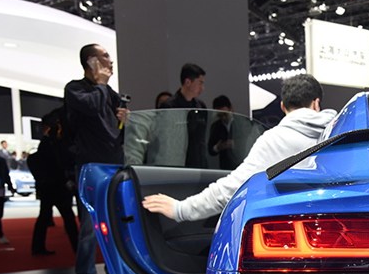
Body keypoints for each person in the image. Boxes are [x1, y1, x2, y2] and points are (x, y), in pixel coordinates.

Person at [142, 74, 336, 222]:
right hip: (342, 230)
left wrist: (181, 210)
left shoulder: (274, 140)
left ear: (283, 106)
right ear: (316, 103)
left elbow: (232, 188)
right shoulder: (340, 135)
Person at [64, 43, 128, 274]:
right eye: (105, 56)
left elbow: (117, 131)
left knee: (115, 223)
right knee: (89, 226)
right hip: (90, 166)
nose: (110, 61)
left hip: (114, 164)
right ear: (91, 61)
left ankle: (115, 273)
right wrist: (101, 83)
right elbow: (90, 107)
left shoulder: (110, 93)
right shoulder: (75, 89)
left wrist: (123, 121)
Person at [28, 110, 79, 256]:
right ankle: (77, 248)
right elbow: (60, 162)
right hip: (57, 186)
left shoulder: (48, 143)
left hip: (50, 187)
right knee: (67, 218)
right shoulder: (55, 143)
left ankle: (38, 247)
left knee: (46, 217)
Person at [160, 63, 208, 168]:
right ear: (188, 82)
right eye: (200, 83)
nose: (202, 88)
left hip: (198, 162)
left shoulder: (201, 107)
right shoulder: (169, 106)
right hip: (177, 163)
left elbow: (202, 140)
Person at [208, 95, 238, 170]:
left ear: (231, 109)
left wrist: (237, 144)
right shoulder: (216, 126)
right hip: (225, 167)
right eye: (220, 115)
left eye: (225, 114)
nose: (223, 118)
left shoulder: (242, 124)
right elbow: (210, 150)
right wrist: (218, 147)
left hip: (241, 164)